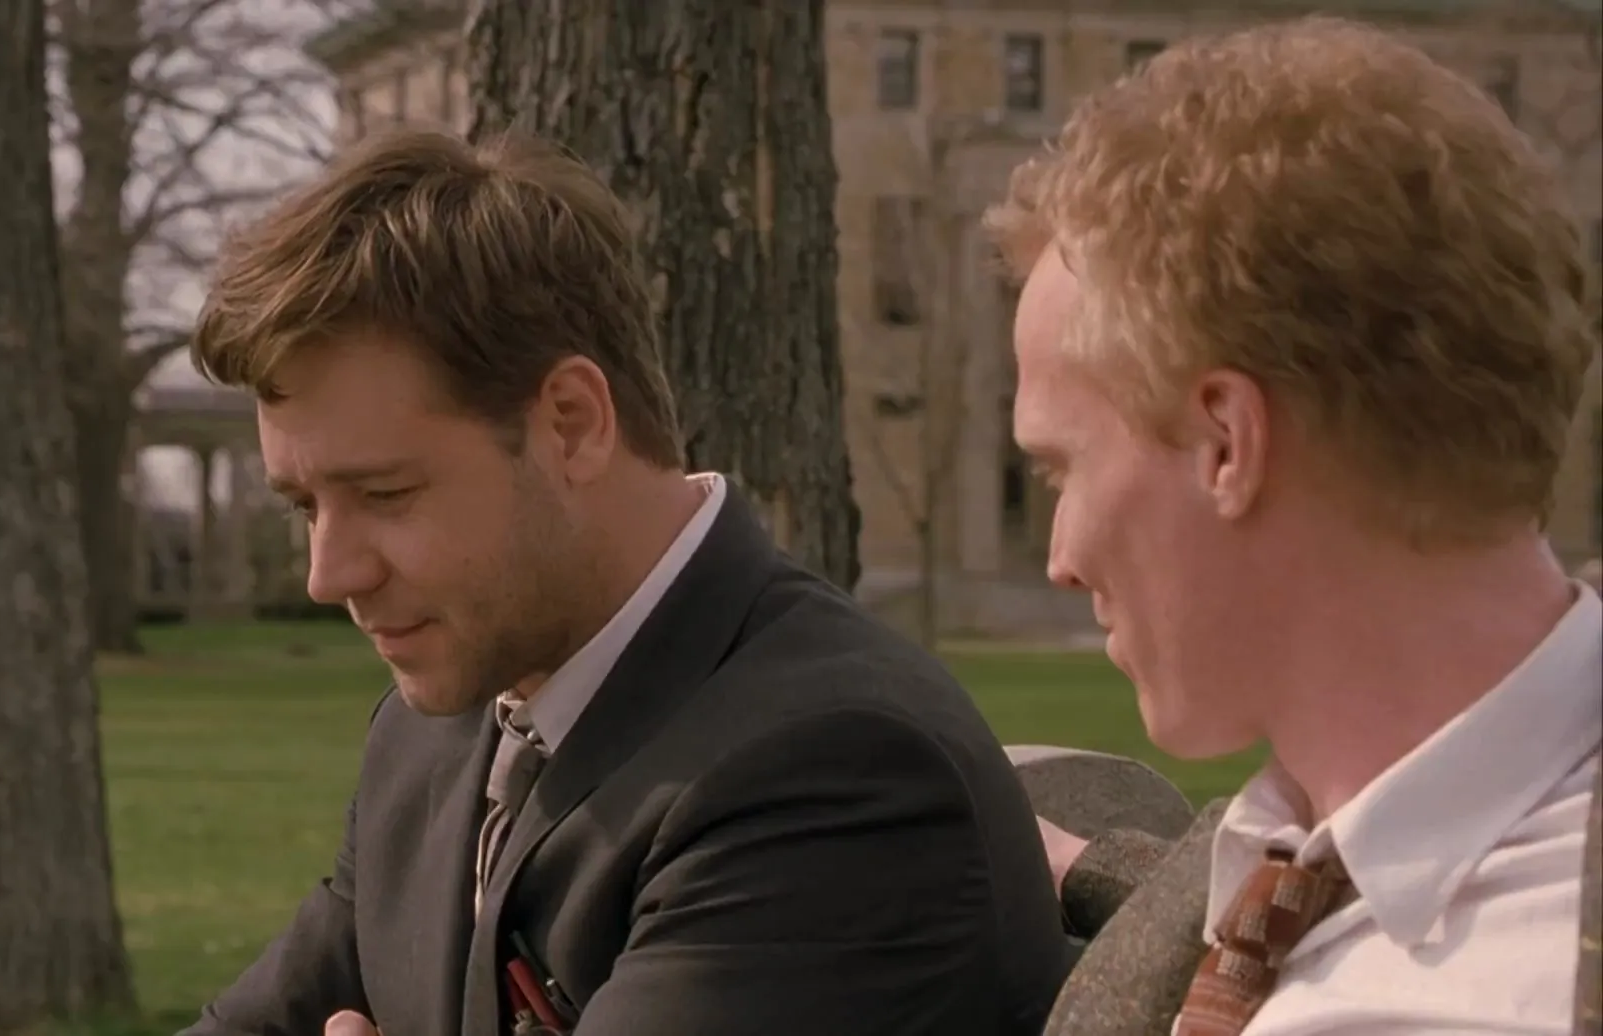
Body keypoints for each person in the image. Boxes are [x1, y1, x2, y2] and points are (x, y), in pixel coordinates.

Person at [177, 127, 1071, 1036]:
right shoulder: (429, 738)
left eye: (386, 495)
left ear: (570, 423)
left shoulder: (834, 777)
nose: (328, 574)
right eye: (304, 506)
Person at [981, 16, 1603, 1036]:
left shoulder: (1503, 994)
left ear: (1226, 442)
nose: (1062, 559)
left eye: (1063, 468)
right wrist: (1081, 864)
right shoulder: (1306, 849)